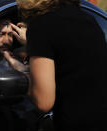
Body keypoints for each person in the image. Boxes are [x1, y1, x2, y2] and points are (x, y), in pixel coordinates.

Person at [14, 0, 107, 130]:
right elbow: (70, 61)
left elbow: (43, 101)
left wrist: (20, 72)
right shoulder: (90, 21)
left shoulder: (42, 26)